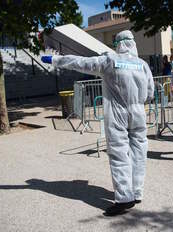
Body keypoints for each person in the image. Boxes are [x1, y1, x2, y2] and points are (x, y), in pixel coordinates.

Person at [41, 30, 154, 216]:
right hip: (138, 113)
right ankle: (137, 191)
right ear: (133, 43)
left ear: (118, 43)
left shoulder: (109, 60)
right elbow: (150, 94)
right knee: (139, 152)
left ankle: (125, 198)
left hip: (118, 114)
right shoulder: (143, 65)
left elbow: (79, 63)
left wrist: (54, 60)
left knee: (119, 154)